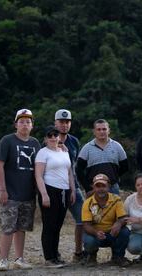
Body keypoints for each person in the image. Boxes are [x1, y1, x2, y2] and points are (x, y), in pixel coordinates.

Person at [0, 109, 41, 271]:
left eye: (28, 122)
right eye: (21, 121)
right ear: (16, 124)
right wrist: (2, 189)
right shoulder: (7, 141)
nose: (25, 124)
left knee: (21, 227)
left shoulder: (35, 143)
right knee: (8, 227)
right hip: (10, 192)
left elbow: (39, 168)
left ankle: (19, 259)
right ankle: (3, 260)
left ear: (32, 125)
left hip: (28, 193)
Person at [35, 126, 76, 267]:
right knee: (49, 225)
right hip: (49, 190)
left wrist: (73, 190)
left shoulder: (64, 151)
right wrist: (44, 194)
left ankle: (56, 255)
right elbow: (38, 175)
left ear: (59, 137)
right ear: (45, 139)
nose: (53, 138)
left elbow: (69, 172)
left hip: (64, 191)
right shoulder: (43, 153)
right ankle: (49, 258)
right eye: (49, 136)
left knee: (58, 226)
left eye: (55, 135)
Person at [54, 109, 86, 262]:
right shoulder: (48, 140)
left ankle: (78, 253)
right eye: (61, 122)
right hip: (55, 187)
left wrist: (79, 187)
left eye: (67, 122)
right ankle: (53, 254)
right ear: (55, 123)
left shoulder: (74, 141)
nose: (64, 125)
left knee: (83, 219)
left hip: (74, 187)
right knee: (55, 222)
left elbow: (76, 166)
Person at [82, 173, 131, 267]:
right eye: (97, 186)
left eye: (103, 186)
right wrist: (96, 233)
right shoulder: (87, 203)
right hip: (96, 234)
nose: (101, 189)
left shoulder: (116, 199)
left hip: (112, 233)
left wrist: (119, 223)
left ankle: (118, 257)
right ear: (93, 187)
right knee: (88, 239)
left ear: (109, 186)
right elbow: (86, 225)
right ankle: (91, 256)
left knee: (125, 232)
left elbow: (123, 218)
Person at [76, 119, 128, 195]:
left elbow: (125, 167)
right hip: (94, 188)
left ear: (109, 131)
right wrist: (87, 188)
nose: (101, 132)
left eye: (104, 129)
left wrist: (113, 177)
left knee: (114, 207)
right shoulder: (87, 148)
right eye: (99, 129)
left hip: (112, 188)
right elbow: (79, 170)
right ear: (94, 131)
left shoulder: (117, 146)